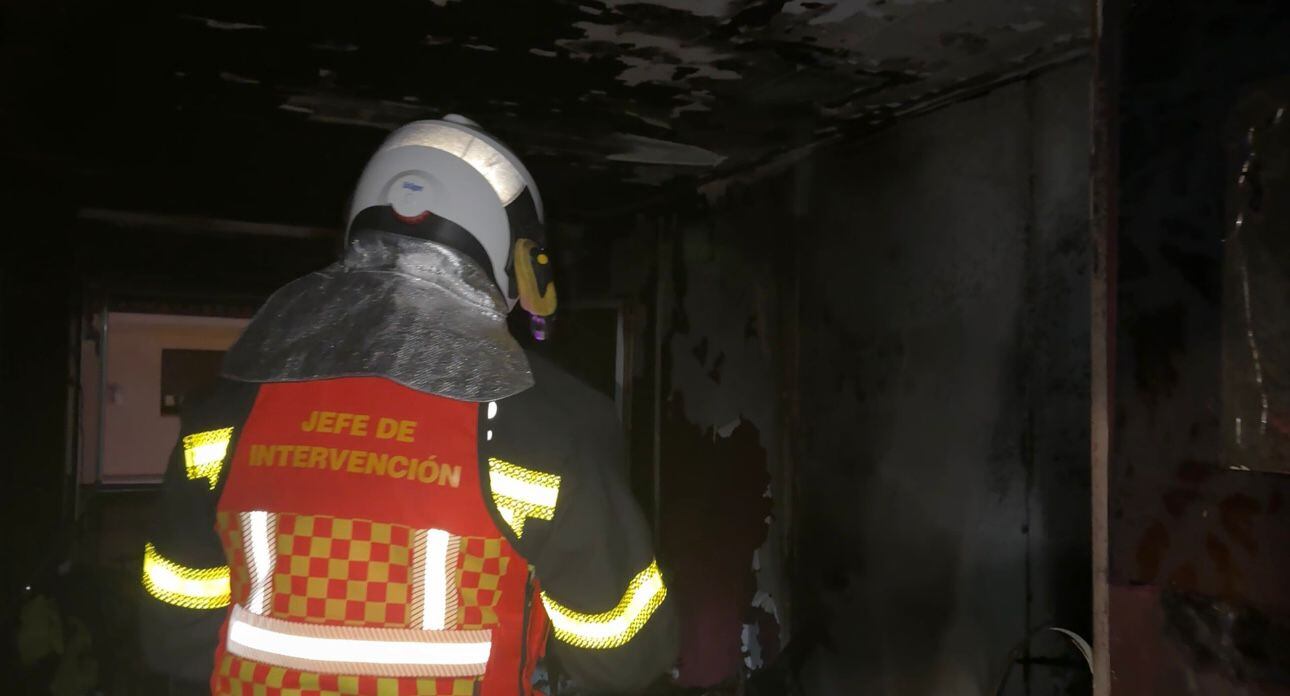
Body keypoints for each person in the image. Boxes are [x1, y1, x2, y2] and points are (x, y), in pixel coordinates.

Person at [138, 115, 678, 696]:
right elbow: (622, 653)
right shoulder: (550, 422)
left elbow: (174, 631)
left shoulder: (230, 405)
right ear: (517, 257)